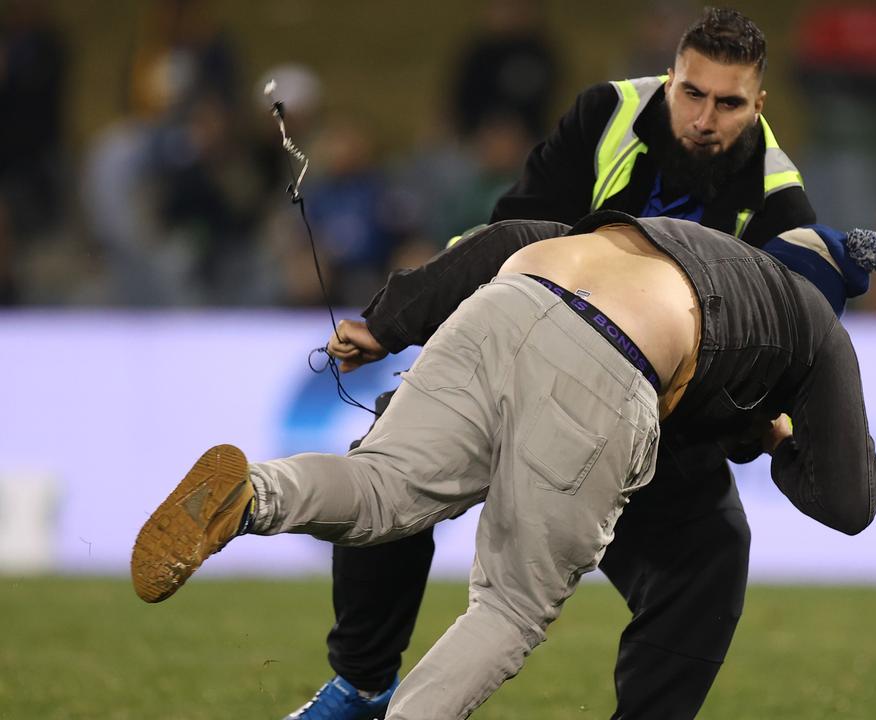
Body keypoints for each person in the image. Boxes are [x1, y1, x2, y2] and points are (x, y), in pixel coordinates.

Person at [283, 9, 830, 719]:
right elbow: (510, 235)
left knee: (712, 555)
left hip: (650, 415)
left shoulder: (780, 207)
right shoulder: (606, 113)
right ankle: (360, 684)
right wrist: (414, 322)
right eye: (692, 93)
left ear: (758, 106)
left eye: (728, 103)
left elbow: (763, 359)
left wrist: (753, 428)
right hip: (516, 351)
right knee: (388, 455)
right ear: (671, 80)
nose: (704, 117)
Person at [132, 211, 876, 720]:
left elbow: (508, 238)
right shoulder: (813, 320)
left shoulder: (682, 239)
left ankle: (251, 494)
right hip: (609, 359)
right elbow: (850, 501)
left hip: (509, 299)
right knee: (510, 609)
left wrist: (390, 323)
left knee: (379, 488)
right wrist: (784, 439)